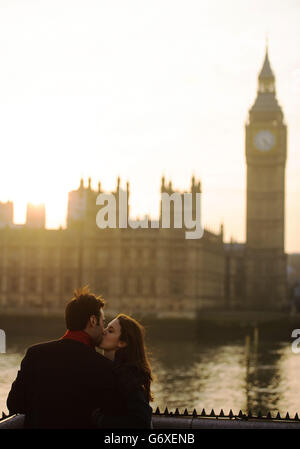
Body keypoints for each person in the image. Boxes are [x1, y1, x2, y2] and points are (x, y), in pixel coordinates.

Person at [6, 286, 122, 429]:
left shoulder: (35, 353)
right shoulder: (104, 367)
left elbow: (14, 404)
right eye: (103, 322)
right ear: (93, 321)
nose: (103, 330)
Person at [93, 314, 153, 429]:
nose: (104, 331)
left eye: (110, 331)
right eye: (106, 327)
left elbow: (141, 420)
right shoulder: (112, 369)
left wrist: (99, 419)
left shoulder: (127, 376)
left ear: (122, 342)